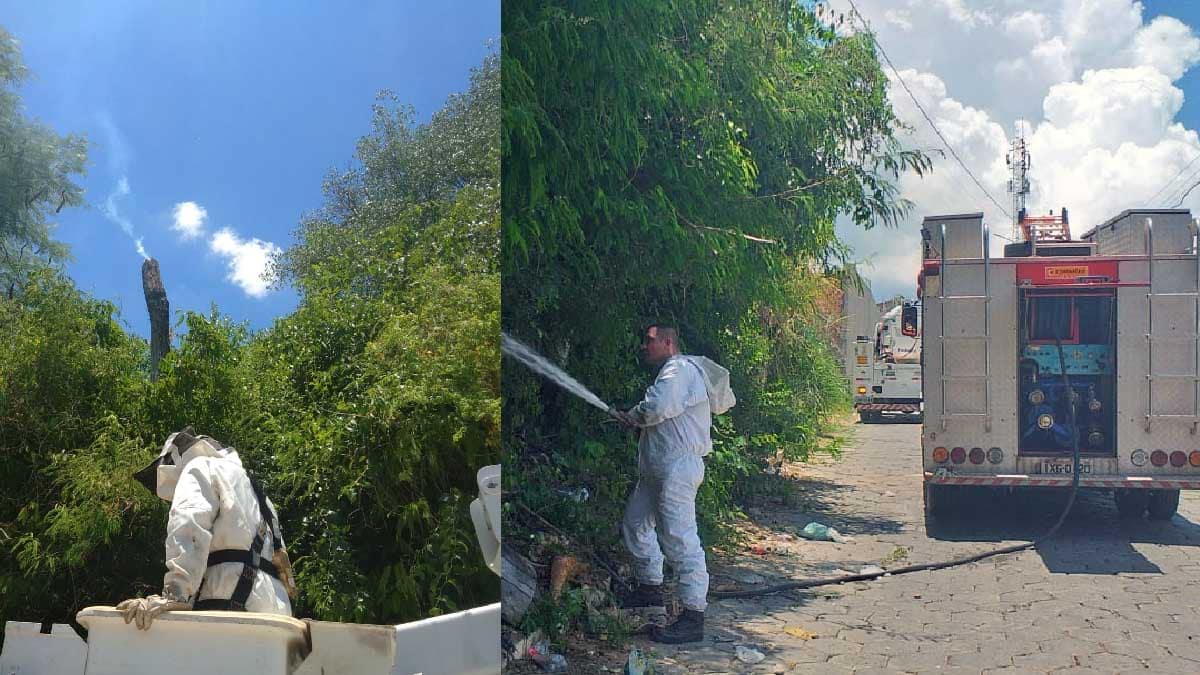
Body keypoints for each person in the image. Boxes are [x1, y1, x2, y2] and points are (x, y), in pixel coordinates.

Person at [612, 324, 734, 644]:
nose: (644, 346)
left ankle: (693, 616)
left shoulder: (679, 369)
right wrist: (635, 419)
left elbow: (659, 407)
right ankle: (650, 589)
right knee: (635, 524)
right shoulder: (673, 370)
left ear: (668, 343)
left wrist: (634, 416)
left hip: (678, 469)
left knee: (680, 539)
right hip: (658, 469)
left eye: (649, 340)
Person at [116, 427, 294, 630]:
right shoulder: (259, 495)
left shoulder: (200, 467)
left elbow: (188, 522)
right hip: (276, 613)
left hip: (229, 602)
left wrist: (176, 592)